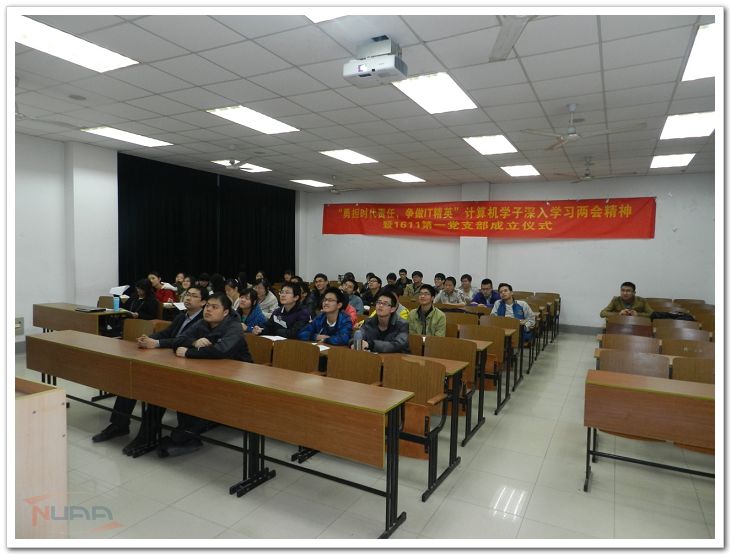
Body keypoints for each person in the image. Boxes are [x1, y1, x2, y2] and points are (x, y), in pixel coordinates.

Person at [91, 286, 208, 450]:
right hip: (168, 359)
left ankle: (146, 436)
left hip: (186, 366)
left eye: (194, 296)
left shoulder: (205, 321)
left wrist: (157, 343)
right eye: (187, 295)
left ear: (203, 302)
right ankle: (119, 425)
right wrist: (148, 339)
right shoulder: (182, 316)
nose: (188, 298)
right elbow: (166, 333)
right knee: (131, 380)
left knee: (156, 389)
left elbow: (183, 340)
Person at [163, 292, 253, 456]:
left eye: (214, 307)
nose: (208, 310)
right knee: (184, 387)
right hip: (212, 369)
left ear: (225, 312)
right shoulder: (203, 323)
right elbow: (178, 340)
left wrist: (189, 352)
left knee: (197, 392)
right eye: (207, 306)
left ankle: (186, 436)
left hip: (239, 376)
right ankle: (185, 435)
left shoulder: (234, 326)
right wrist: (194, 342)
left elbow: (221, 351)